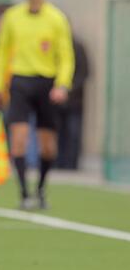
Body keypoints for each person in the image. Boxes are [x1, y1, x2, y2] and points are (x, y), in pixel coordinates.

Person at [0, 0, 74, 210]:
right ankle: (25, 192)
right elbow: (1, 51)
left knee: (48, 146)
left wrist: (62, 84)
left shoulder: (56, 18)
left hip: (47, 85)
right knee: (19, 140)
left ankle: (41, 187)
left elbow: (66, 55)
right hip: (20, 82)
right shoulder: (13, 17)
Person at [56, 35, 89, 170]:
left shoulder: (78, 47)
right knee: (58, 132)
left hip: (74, 101)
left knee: (73, 132)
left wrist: (67, 90)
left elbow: (84, 73)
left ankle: (71, 164)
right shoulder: (56, 46)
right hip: (56, 100)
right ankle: (57, 162)